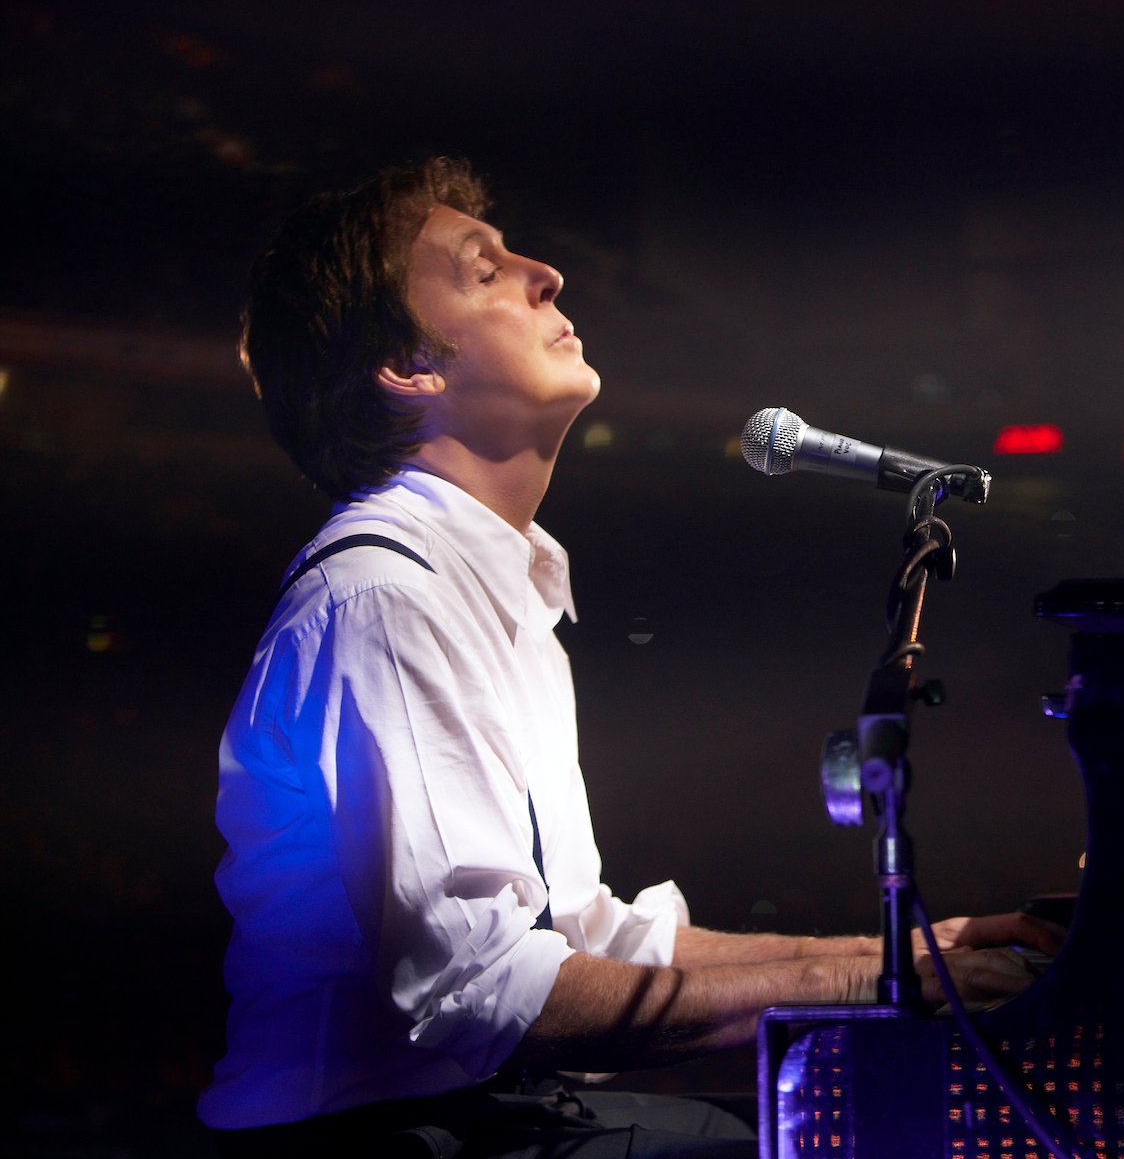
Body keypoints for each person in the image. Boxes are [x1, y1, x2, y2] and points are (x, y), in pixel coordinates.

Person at [201, 158, 1058, 1157]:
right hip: (389, 1137)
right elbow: (484, 994)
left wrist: (910, 951)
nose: (547, 272)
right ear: (410, 364)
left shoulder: (488, 582)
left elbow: (585, 942)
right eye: (483, 270)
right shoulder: (386, 600)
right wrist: (873, 984)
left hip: (482, 1118)